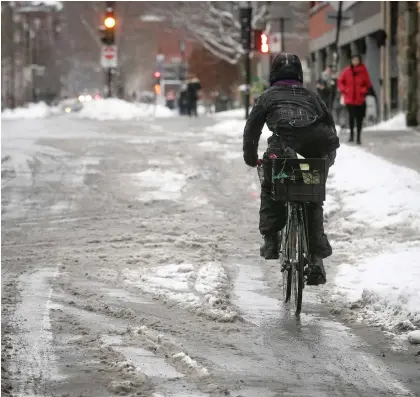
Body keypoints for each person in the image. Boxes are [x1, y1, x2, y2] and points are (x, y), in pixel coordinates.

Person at [242, 53, 340, 286]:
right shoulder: (313, 97)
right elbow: (330, 128)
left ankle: (271, 240)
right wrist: (327, 161)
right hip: (315, 150)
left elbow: (252, 130)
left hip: (282, 150)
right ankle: (316, 258)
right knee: (312, 197)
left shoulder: (267, 97)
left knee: (271, 186)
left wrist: (250, 157)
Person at [338, 54, 372, 144]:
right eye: (354, 60)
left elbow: (368, 84)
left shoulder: (363, 71)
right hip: (350, 99)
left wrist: (363, 90)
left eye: (357, 60)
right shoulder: (347, 71)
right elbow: (340, 81)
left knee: (359, 118)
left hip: (360, 99)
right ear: (351, 61)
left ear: (360, 61)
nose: (355, 62)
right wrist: (344, 90)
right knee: (351, 117)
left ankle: (358, 138)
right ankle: (352, 136)